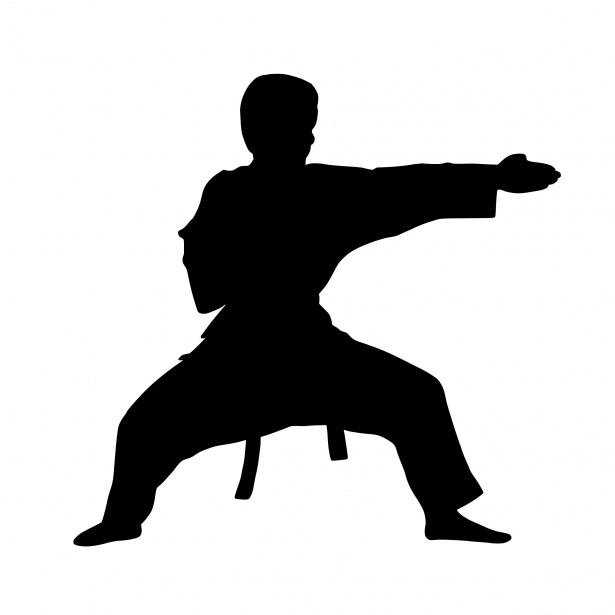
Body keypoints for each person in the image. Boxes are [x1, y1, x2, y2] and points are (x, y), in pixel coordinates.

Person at [74, 74, 560, 547]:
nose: (308, 137)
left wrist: (495, 177)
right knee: (143, 426)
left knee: (418, 396)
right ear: (255, 131)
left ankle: (443, 514)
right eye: (296, 125)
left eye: (309, 125)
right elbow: (206, 282)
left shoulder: (325, 189)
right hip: (240, 356)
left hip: (311, 349)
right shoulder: (232, 191)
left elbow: (404, 186)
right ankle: (121, 519)